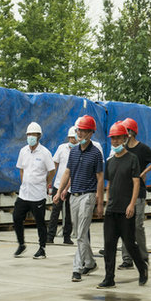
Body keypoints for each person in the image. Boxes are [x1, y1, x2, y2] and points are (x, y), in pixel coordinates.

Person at [97, 122, 148, 288]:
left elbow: (136, 183)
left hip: (126, 210)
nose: (115, 141)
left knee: (130, 244)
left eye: (118, 138)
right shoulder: (110, 161)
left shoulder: (132, 159)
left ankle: (142, 268)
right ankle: (109, 278)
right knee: (109, 245)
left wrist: (132, 204)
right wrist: (106, 203)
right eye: (113, 138)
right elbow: (110, 184)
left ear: (125, 138)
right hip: (112, 210)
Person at [54, 115, 104, 282]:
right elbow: (68, 172)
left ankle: (77, 268)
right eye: (78, 130)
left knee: (81, 233)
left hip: (88, 195)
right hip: (73, 195)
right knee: (79, 233)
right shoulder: (74, 152)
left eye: (83, 130)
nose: (79, 133)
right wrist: (60, 191)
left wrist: (99, 202)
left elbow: (100, 178)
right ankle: (90, 262)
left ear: (90, 133)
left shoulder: (96, 154)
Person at [117, 117, 151, 270]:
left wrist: (144, 172)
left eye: (125, 131)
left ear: (131, 132)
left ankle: (143, 256)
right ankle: (127, 259)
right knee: (125, 226)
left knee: (137, 226)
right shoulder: (122, 149)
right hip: (124, 193)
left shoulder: (142, 149)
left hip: (139, 193)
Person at [13, 122, 55, 260]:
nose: (30, 137)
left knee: (40, 222)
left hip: (38, 195)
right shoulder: (23, 151)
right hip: (24, 193)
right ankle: (21, 244)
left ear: (39, 136)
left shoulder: (45, 153)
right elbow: (21, 169)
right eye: (29, 134)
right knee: (16, 217)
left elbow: (52, 170)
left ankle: (42, 248)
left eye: (33, 134)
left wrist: (46, 182)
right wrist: (24, 182)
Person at [47, 127, 78, 244]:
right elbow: (55, 164)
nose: (72, 140)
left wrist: (67, 187)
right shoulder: (61, 148)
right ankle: (50, 236)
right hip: (58, 185)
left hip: (72, 187)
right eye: (70, 138)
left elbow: (74, 171)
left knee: (69, 213)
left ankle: (67, 237)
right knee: (55, 211)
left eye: (74, 138)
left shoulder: (79, 151)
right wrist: (50, 180)